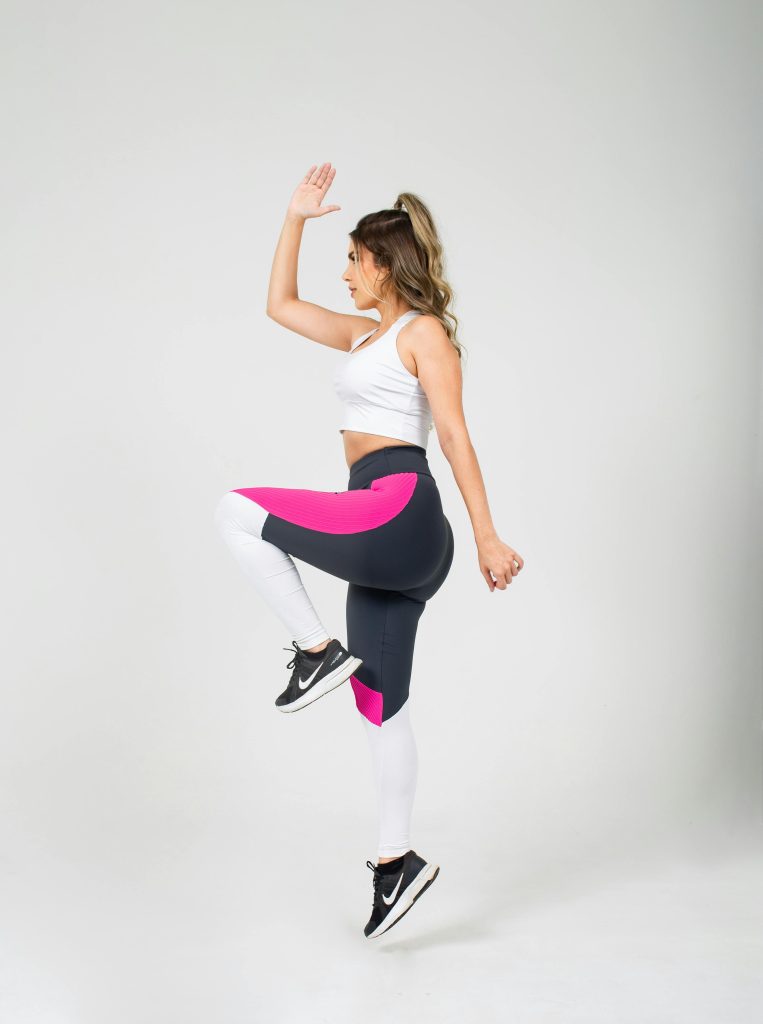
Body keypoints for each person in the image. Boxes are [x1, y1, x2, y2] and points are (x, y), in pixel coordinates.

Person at [214, 163, 524, 939]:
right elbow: (278, 306)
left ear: (383, 264)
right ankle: (396, 865)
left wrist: (488, 533)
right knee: (380, 706)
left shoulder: (420, 332)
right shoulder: (365, 333)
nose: (345, 272)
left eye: (352, 258)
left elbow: (451, 434)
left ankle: (316, 649)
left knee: (237, 509)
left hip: (400, 512)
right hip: (385, 525)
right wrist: (295, 219)